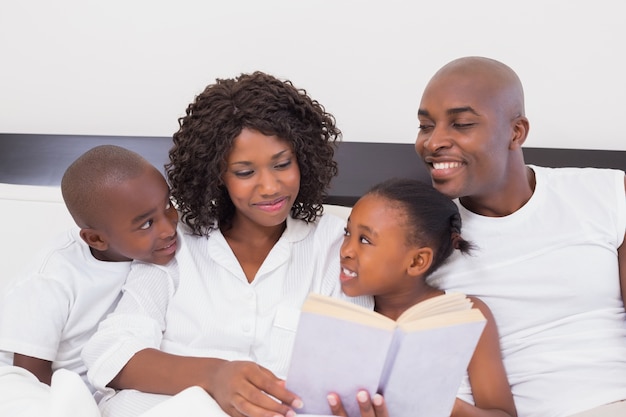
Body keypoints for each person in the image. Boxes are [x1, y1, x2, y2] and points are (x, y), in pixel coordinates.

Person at [81, 71, 373, 417]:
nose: (269, 187)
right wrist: (215, 376)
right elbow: (111, 355)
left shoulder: (336, 244)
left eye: (282, 164)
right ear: (217, 174)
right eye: (245, 173)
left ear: (303, 159)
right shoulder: (174, 243)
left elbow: (355, 364)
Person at [413, 56, 626, 417]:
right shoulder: (418, 238)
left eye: (461, 123)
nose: (433, 142)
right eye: (425, 126)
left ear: (517, 132)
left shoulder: (606, 194)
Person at [0, 145, 178, 412]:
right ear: (96, 239)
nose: (168, 229)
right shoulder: (53, 277)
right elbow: (30, 371)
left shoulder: (163, 253)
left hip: (103, 387)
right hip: (36, 383)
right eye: (146, 224)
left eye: (168, 206)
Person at [327, 178, 516, 417]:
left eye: (365, 240)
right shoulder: (341, 312)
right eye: (347, 233)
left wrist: (450, 407)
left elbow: (503, 414)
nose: (346, 250)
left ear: (417, 261)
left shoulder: (467, 315)